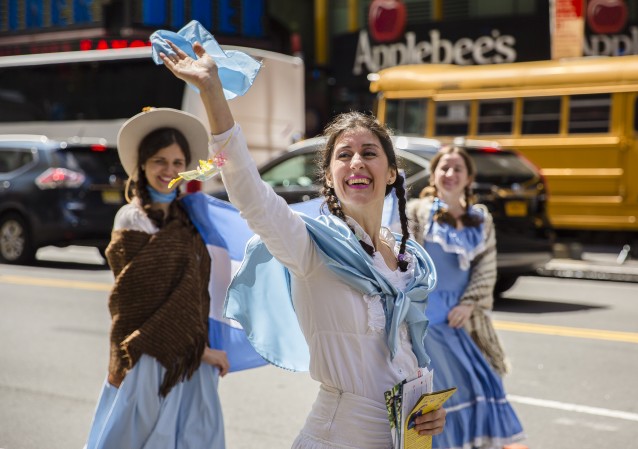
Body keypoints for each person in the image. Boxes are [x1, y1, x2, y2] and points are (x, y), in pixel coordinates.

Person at [159, 39, 446, 448]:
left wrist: (428, 410)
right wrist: (211, 92)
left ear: (393, 172)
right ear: (329, 177)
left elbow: (407, 354)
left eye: (369, 152)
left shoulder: (407, 259)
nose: (357, 163)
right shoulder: (311, 247)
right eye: (343, 155)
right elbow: (250, 194)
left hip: (403, 437)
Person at [85, 107, 230, 449]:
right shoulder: (131, 218)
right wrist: (202, 352)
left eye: (178, 163)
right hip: (146, 356)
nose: (169, 171)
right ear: (142, 166)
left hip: (187, 358)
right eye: (159, 161)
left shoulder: (191, 215)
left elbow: (201, 287)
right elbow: (140, 302)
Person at [406, 145, 525, 449]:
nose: (450, 174)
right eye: (444, 168)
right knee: (439, 394)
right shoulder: (417, 212)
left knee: (482, 384)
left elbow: (486, 270)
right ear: (433, 174)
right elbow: (404, 260)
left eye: (457, 169)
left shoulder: (481, 220)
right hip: (424, 320)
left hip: (463, 320)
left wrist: (470, 303)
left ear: (469, 177)